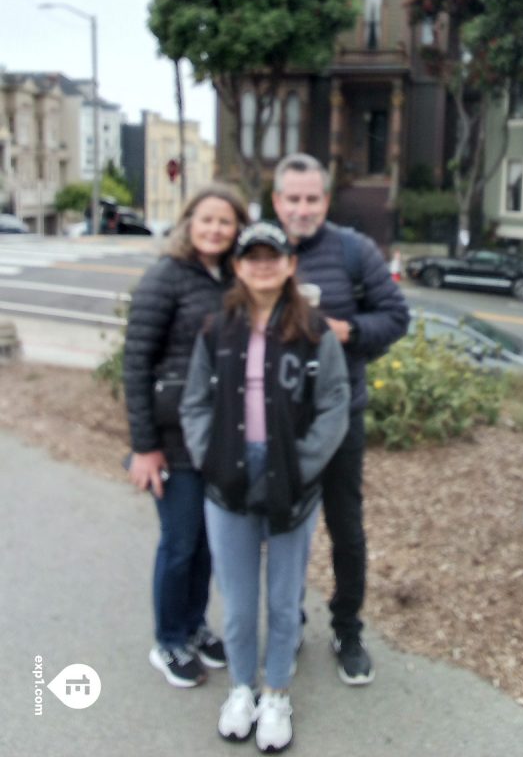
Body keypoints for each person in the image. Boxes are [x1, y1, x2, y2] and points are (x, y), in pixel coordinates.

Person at [180, 221, 350, 752]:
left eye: (272, 255)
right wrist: (209, 456)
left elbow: (334, 404)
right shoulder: (217, 329)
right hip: (228, 475)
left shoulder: (315, 331)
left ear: (290, 264)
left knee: (282, 599)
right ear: (237, 266)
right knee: (236, 601)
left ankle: (276, 692)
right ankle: (241, 688)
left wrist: (301, 465)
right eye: (250, 256)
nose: (262, 265)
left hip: (291, 476)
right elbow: (194, 403)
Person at [272, 153, 410, 686]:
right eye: (293, 199)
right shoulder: (261, 249)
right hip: (278, 418)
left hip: (340, 414)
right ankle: (288, 620)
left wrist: (343, 332)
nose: (302, 209)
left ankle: (347, 628)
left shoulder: (353, 250)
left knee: (346, 530)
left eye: (312, 199)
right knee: (280, 527)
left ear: (325, 202)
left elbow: (396, 316)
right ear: (277, 201)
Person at [123, 185, 248, 688]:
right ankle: (169, 640)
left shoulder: (233, 279)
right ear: (188, 223)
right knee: (180, 543)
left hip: (219, 438)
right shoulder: (165, 278)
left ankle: (194, 626)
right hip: (173, 441)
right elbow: (136, 365)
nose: (215, 229)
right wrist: (144, 446)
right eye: (206, 219)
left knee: (207, 545)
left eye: (226, 221)